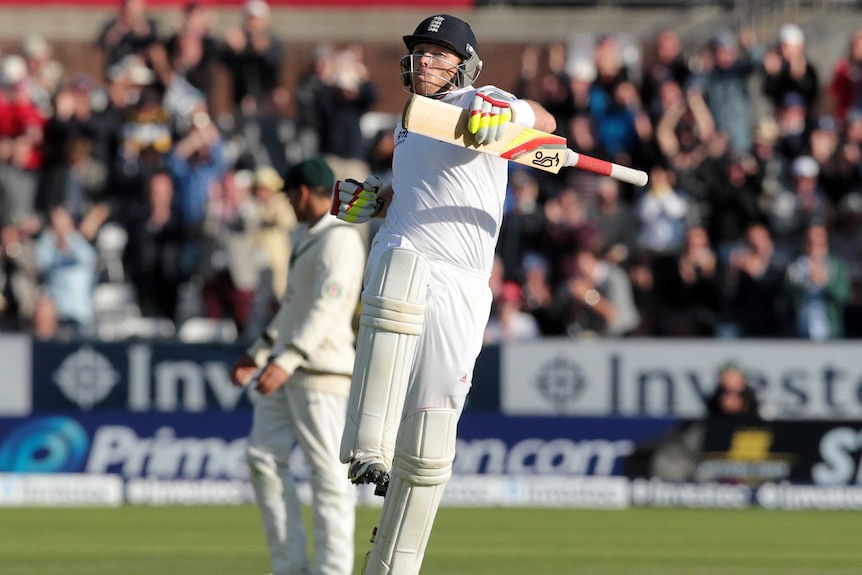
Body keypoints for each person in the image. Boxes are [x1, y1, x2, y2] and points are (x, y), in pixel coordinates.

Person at [331, 13, 556, 574]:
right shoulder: (411, 121)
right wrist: (376, 198)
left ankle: (393, 563)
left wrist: (504, 112)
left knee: (434, 428)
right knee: (398, 276)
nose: (426, 61)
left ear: (466, 63)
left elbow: (547, 123)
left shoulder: (481, 99)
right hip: (405, 251)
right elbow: (415, 191)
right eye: (420, 53)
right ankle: (368, 448)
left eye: (438, 53)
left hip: (466, 281)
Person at [229, 157, 364, 575]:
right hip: (289, 369)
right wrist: (261, 349)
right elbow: (293, 308)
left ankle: (333, 570)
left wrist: (286, 359)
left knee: (329, 478)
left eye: (289, 195)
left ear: (303, 192)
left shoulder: (341, 238)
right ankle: (290, 567)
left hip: (322, 374)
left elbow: (329, 307)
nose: (288, 202)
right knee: (262, 458)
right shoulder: (309, 238)